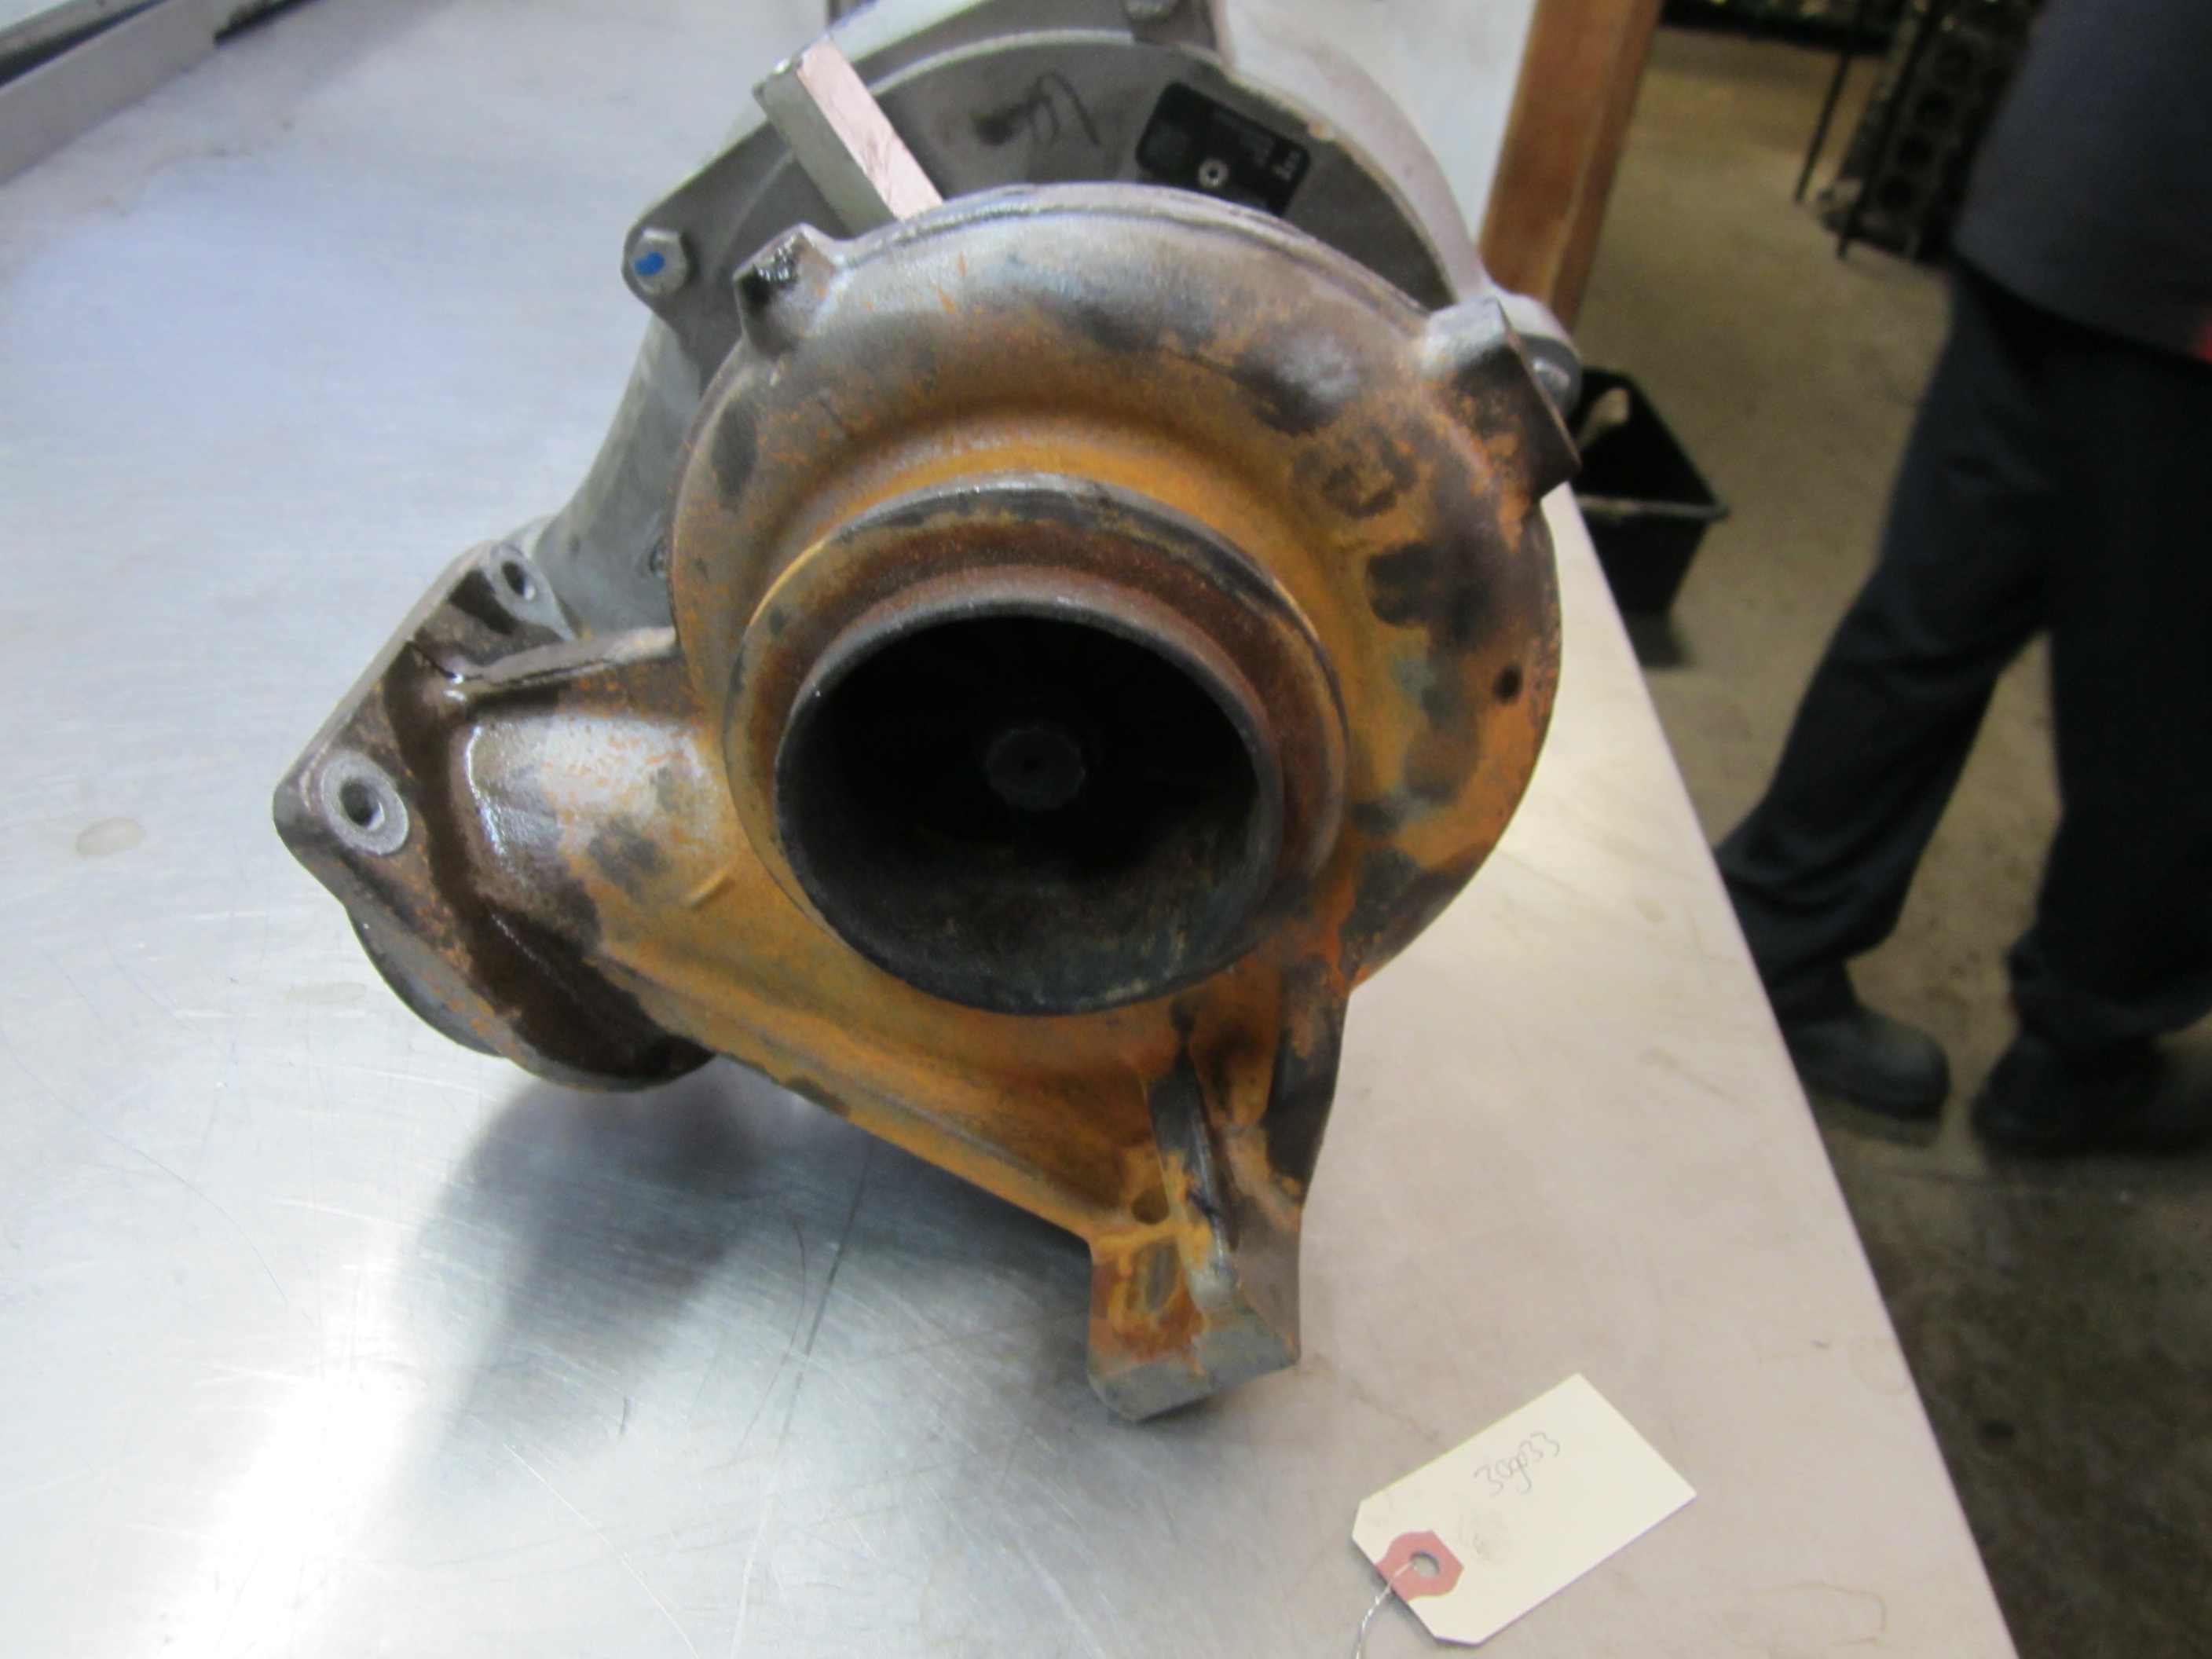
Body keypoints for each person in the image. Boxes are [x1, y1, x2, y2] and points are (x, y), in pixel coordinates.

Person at [1716, 0, 2212, 1155]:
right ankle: (2084, 1047)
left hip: (2068, 172)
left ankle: (1778, 935)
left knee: (1935, 610)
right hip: (2183, 265)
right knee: (2168, 700)